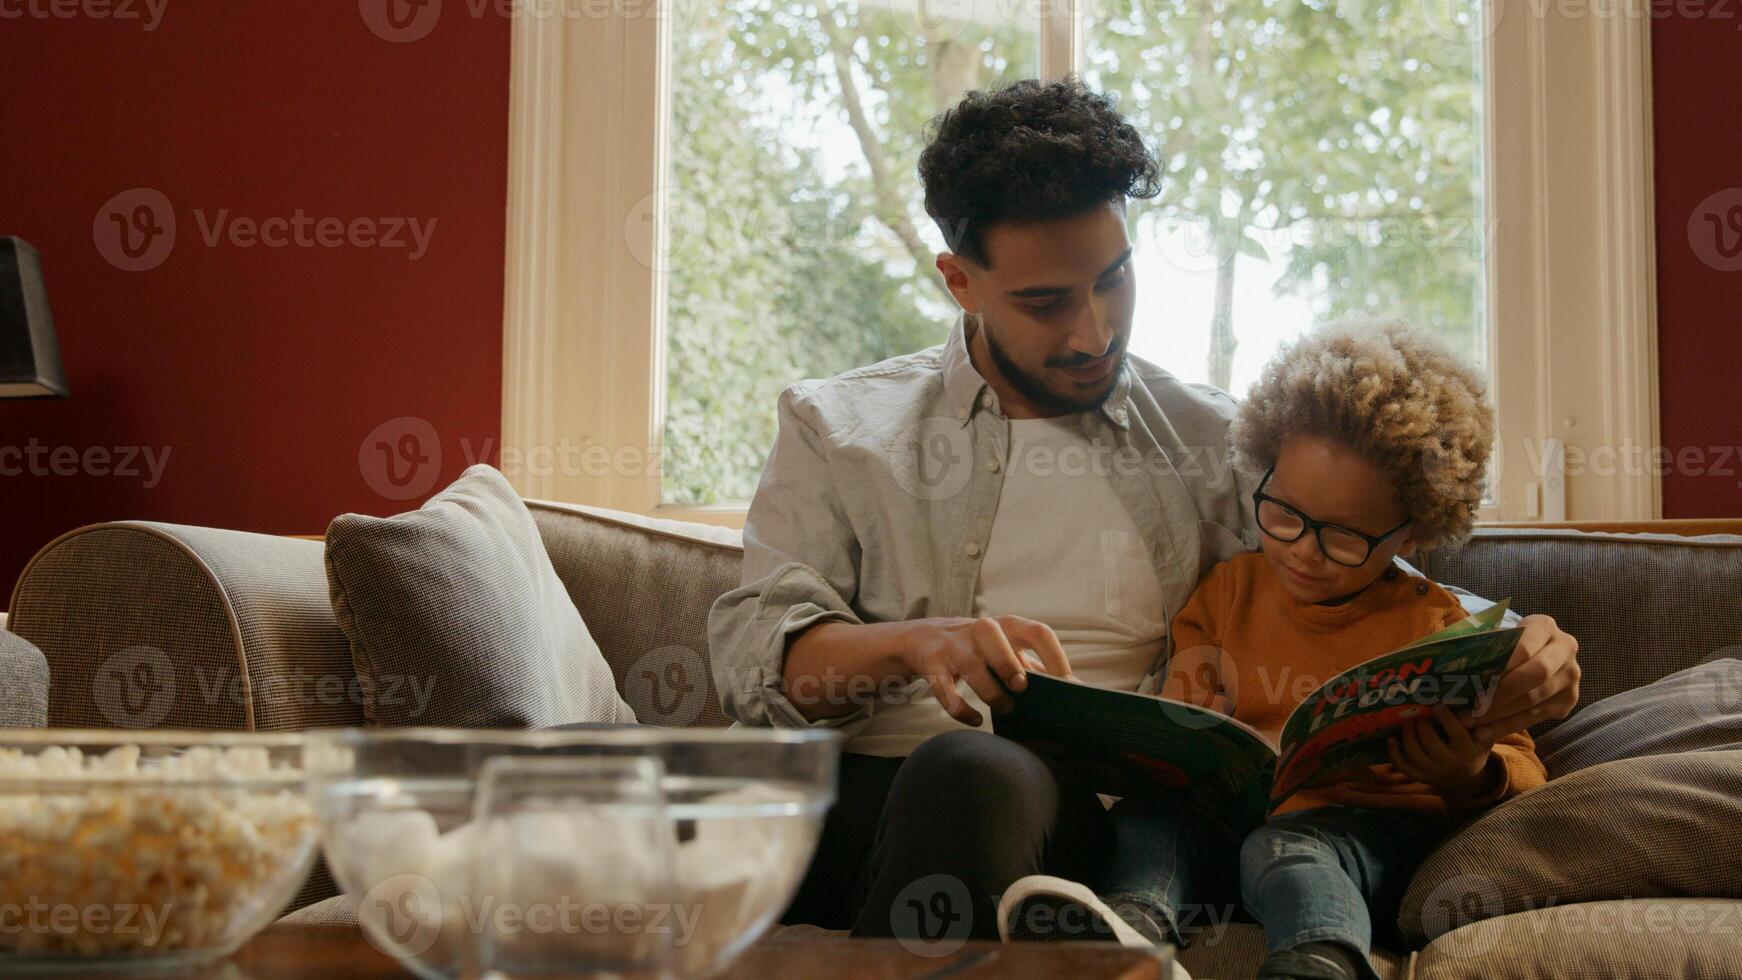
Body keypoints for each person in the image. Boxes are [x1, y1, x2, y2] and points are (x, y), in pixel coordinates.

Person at [706, 77, 1582, 947]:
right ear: (959, 282)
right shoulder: (839, 426)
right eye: (1045, 302)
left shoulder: (1213, 438)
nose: (1093, 333)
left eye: (1113, 279)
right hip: (859, 803)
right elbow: (758, 663)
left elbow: (1361, 570)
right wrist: (917, 641)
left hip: (1080, 825)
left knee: (973, 771)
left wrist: (1521, 645)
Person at [999, 320, 1549, 980]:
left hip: (1357, 842)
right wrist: (1186, 709)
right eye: (1284, 514)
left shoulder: (1438, 624)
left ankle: (1322, 959)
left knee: (1290, 848)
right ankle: (1133, 933)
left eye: (1345, 537)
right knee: (1153, 821)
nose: (1302, 552)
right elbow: (1186, 698)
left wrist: (1469, 773)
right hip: (1231, 826)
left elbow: (1525, 768)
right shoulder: (1227, 590)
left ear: (1411, 532)